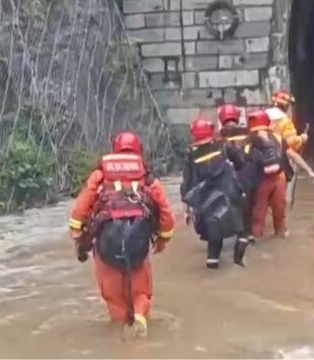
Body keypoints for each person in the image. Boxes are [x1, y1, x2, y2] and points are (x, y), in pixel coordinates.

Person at [68, 131, 174, 338]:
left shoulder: (100, 176)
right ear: (138, 151)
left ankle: (121, 336)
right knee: (141, 292)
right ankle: (141, 320)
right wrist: (162, 239)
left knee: (114, 298)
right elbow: (166, 216)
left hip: (106, 248)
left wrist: (77, 233)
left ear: (115, 150)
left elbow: (80, 209)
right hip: (138, 246)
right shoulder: (147, 178)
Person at [181, 116, 250, 268]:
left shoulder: (191, 155)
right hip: (229, 194)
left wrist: (187, 208)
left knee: (214, 236)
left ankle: (212, 262)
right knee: (242, 229)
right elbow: (241, 162)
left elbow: (187, 183)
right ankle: (239, 258)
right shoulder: (224, 146)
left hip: (206, 200)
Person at [247, 110, 314, 240]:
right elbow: (292, 154)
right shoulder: (277, 138)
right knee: (280, 215)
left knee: (258, 216)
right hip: (279, 179)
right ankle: (281, 238)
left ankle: (254, 247)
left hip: (261, 181)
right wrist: (309, 171)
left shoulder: (248, 141)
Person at [217, 104, 261, 249]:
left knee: (235, 206)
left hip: (232, 175)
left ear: (222, 119)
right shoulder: (247, 132)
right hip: (250, 175)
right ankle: (249, 233)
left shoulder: (220, 136)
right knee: (250, 205)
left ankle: (239, 234)